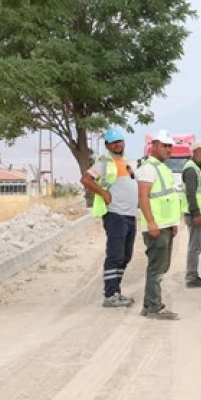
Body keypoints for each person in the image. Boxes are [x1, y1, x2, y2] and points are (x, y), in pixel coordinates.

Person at [81, 126, 138, 308]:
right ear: (107, 145)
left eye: (119, 141)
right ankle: (110, 294)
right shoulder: (104, 162)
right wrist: (103, 193)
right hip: (115, 215)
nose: (118, 145)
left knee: (125, 255)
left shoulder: (126, 162)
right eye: (113, 143)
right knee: (115, 254)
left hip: (129, 215)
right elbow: (86, 179)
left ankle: (116, 291)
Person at [137, 130, 182, 319]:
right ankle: (154, 307)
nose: (168, 149)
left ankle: (149, 305)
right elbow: (143, 197)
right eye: (164, 145)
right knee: (156, 267)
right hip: (156, 226)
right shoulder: (148, 168)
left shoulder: (163, 168)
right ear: (154, 145)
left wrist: (173, 223)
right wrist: (151, 222)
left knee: (161, 266)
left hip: (165, 225)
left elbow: (168, 198)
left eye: (170, 146)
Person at [181, 140, 201, 288]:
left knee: (196, 245)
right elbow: (191, 194)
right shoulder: (192, 169)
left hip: (200, 213)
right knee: (195, 246)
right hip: (196, 215)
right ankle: (191, 276)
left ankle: (192, 275)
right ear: (195, 151)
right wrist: (197, 214)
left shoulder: (198, 167)